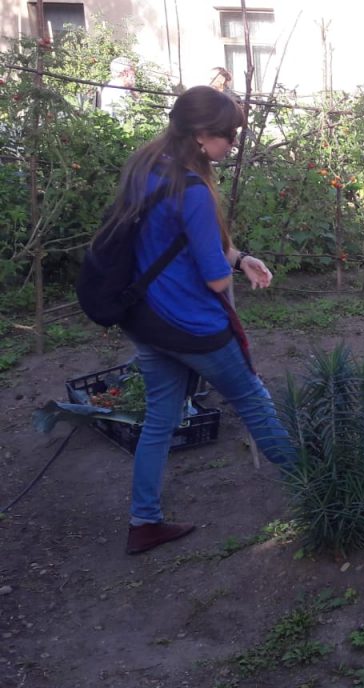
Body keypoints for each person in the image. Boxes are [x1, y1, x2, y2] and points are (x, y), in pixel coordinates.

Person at [100, 86, 295, 555]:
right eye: (230, 135)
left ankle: (143, 522)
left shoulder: (146, 167)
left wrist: (240, 256)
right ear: (204, 134)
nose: (232, 144)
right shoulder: (192, 187)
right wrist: (226, 267)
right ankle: (323, 488)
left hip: (147, 320)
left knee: (160, 419)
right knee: (253, 400)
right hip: (193, 326)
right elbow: (211, 278)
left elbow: (178, 240)